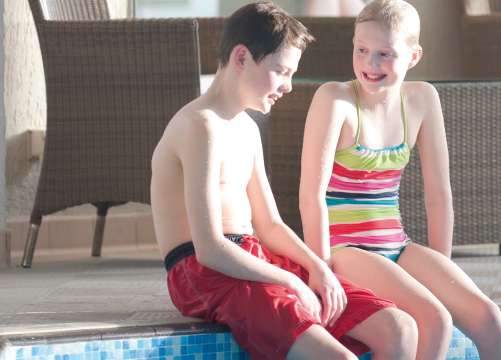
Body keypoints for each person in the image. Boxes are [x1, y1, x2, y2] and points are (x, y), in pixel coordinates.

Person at [151, 2, 418, 359]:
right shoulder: (201, 126)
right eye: (281, 71)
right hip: (205, 273)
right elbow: (210, 249)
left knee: (400, 329)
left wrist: (315, 268)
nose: (289, 86)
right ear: (241, 58)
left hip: (254, 256)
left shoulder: (245, 127)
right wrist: (290, 281)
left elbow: (270, 224)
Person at [298, 0, 501, 359]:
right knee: (435, 320)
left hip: (396, 245)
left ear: (413, 56)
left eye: (384, 54)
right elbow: (312, 195)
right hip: (344, 249)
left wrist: (440, 269)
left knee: (490, 318)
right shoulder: (335, 100)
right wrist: (321, 273)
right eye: (362, 50)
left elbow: (438, 195)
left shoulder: (421, 100)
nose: (370, 64)